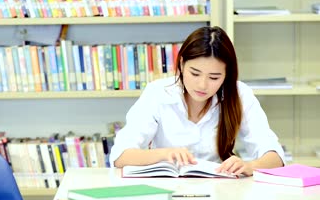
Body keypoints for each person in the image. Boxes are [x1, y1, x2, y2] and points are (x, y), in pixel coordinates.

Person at [109, 26, 285, 176]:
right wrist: (165, 154)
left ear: (226, 75)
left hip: (221, 191)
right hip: (168, 189)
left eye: (214, 77)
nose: (202, 85)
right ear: (182, 64)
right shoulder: (157, 93)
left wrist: (249, 166)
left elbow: (275, 156)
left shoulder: (240, 95)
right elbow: (119, 156)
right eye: (194, 73)